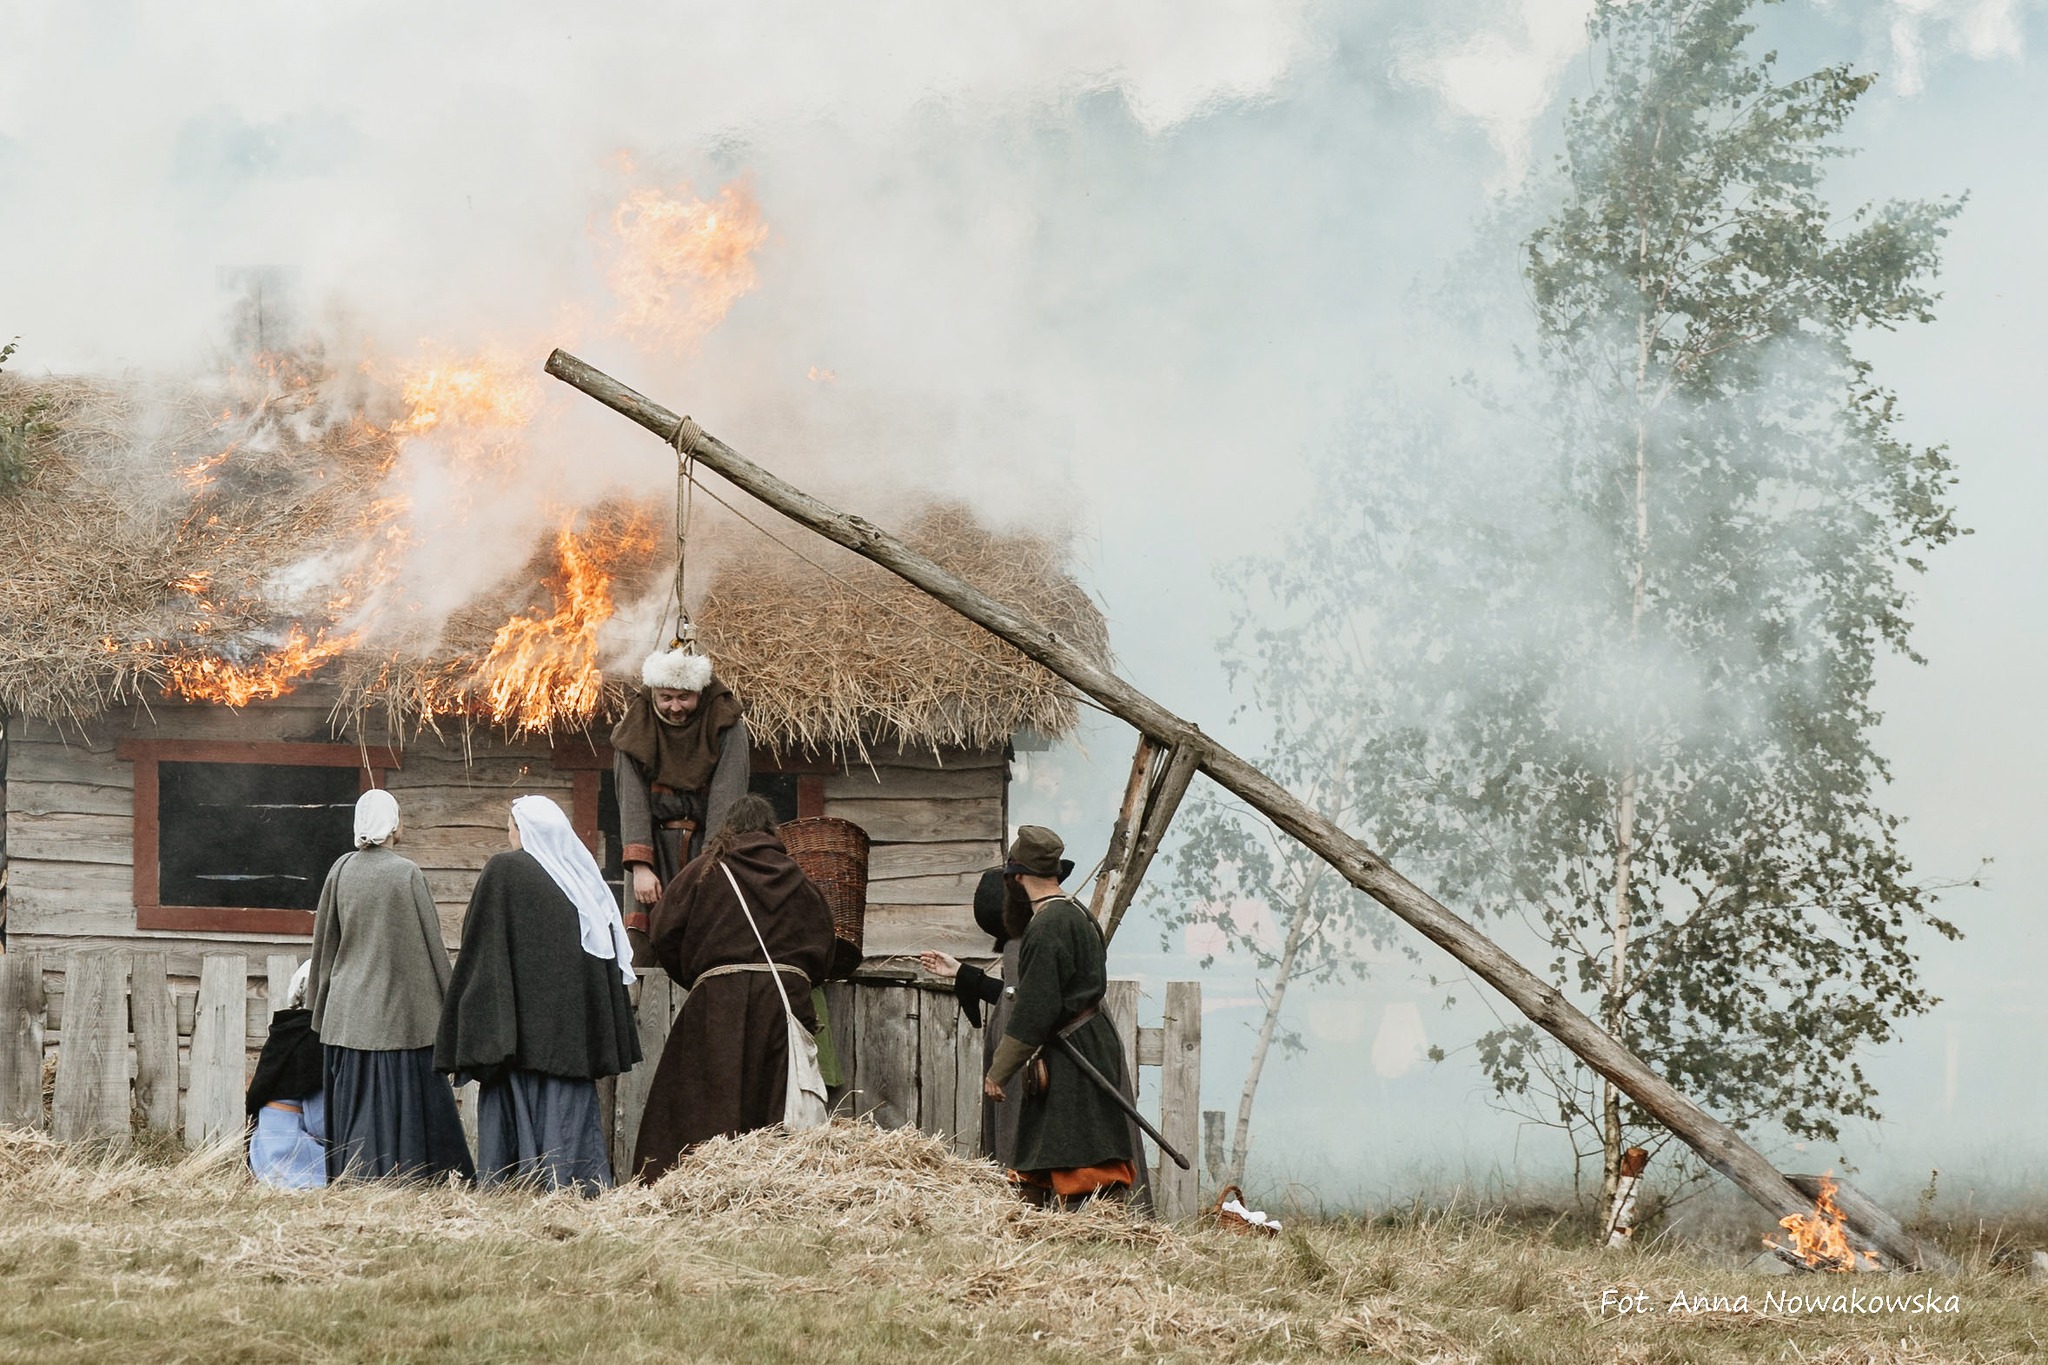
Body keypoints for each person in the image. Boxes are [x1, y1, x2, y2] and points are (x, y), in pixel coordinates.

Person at [436, 795, 641, 1194]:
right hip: (567, 1045)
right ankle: (574, 1186)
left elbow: (480, 949)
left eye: (510, 827)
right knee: (565, 1115)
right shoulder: (582, 884)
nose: (509, 836)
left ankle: (514, 1186)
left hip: (516, 1039)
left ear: (524, 830)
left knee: (515, 1125)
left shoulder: (505, 871)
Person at [633, 794, 836, 1181]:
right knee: (778, 1107)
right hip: (784, 1004)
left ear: (729, 829)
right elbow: (825, 946)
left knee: (703, 1105)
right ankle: (775, 1189)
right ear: (770, 831)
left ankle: (698, 1185)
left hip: (718, 1005)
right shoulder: (800, 880)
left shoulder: (704, 871)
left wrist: (698, 975)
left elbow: (662, 931)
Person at [307, 789, 473, 1184]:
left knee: (354, 1106)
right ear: (394, 824)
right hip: (398, 1018)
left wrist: (319, 1005)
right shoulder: (406, 873)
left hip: (347, 1017)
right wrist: (449, 1005)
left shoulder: (341, 870)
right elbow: (430, 944)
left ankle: (354, 1179)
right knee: (402, 1107)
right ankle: (406, 1178)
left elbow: (324, 943)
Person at [980, 826, 1136, 1208]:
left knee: (1080, 1145)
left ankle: (1095, 1224)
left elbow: (1036, 1006)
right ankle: (1044, 1221)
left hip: (1073, 1049)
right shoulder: (1079, 913)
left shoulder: (1048, 925)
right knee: (1056, 1141)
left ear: (1017, 879)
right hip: (1085, 1041)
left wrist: (1000, 1072)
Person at [610, 643, 750, 961]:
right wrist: (641, 867)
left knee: (707, 933)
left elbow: (726, 801)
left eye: (683, 696)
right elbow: (631, 802)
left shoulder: (727, 726)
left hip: (705, 847)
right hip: (652, 850)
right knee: (641, 944)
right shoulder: (633, 730)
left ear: (700, 693)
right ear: (654, 694)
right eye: (666, 697)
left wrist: (711, 866)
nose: (675, 707)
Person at [920, 866, 1029, 1167]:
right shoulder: (1019, 948)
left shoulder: (1022, 948)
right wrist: (960, 971)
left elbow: (1024, 1006)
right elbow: (1012, 996)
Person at [247, 960, 327, 1189]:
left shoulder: (286, 1033)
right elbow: (318, 1120)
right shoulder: (312, 1040)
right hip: (293, 1159)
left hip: (263, 1154)